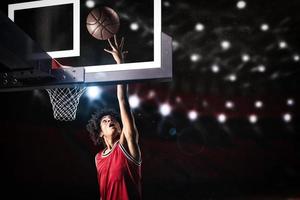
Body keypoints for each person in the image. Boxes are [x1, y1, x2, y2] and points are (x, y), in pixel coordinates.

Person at [86, 35, 142, 200]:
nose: (110, 120)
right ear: (100, 132)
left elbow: (123, 101)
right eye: (104, 121)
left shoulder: (127, 143)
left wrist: (120, 64)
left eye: (113, 120)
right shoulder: (98, 159)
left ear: (120, 126)